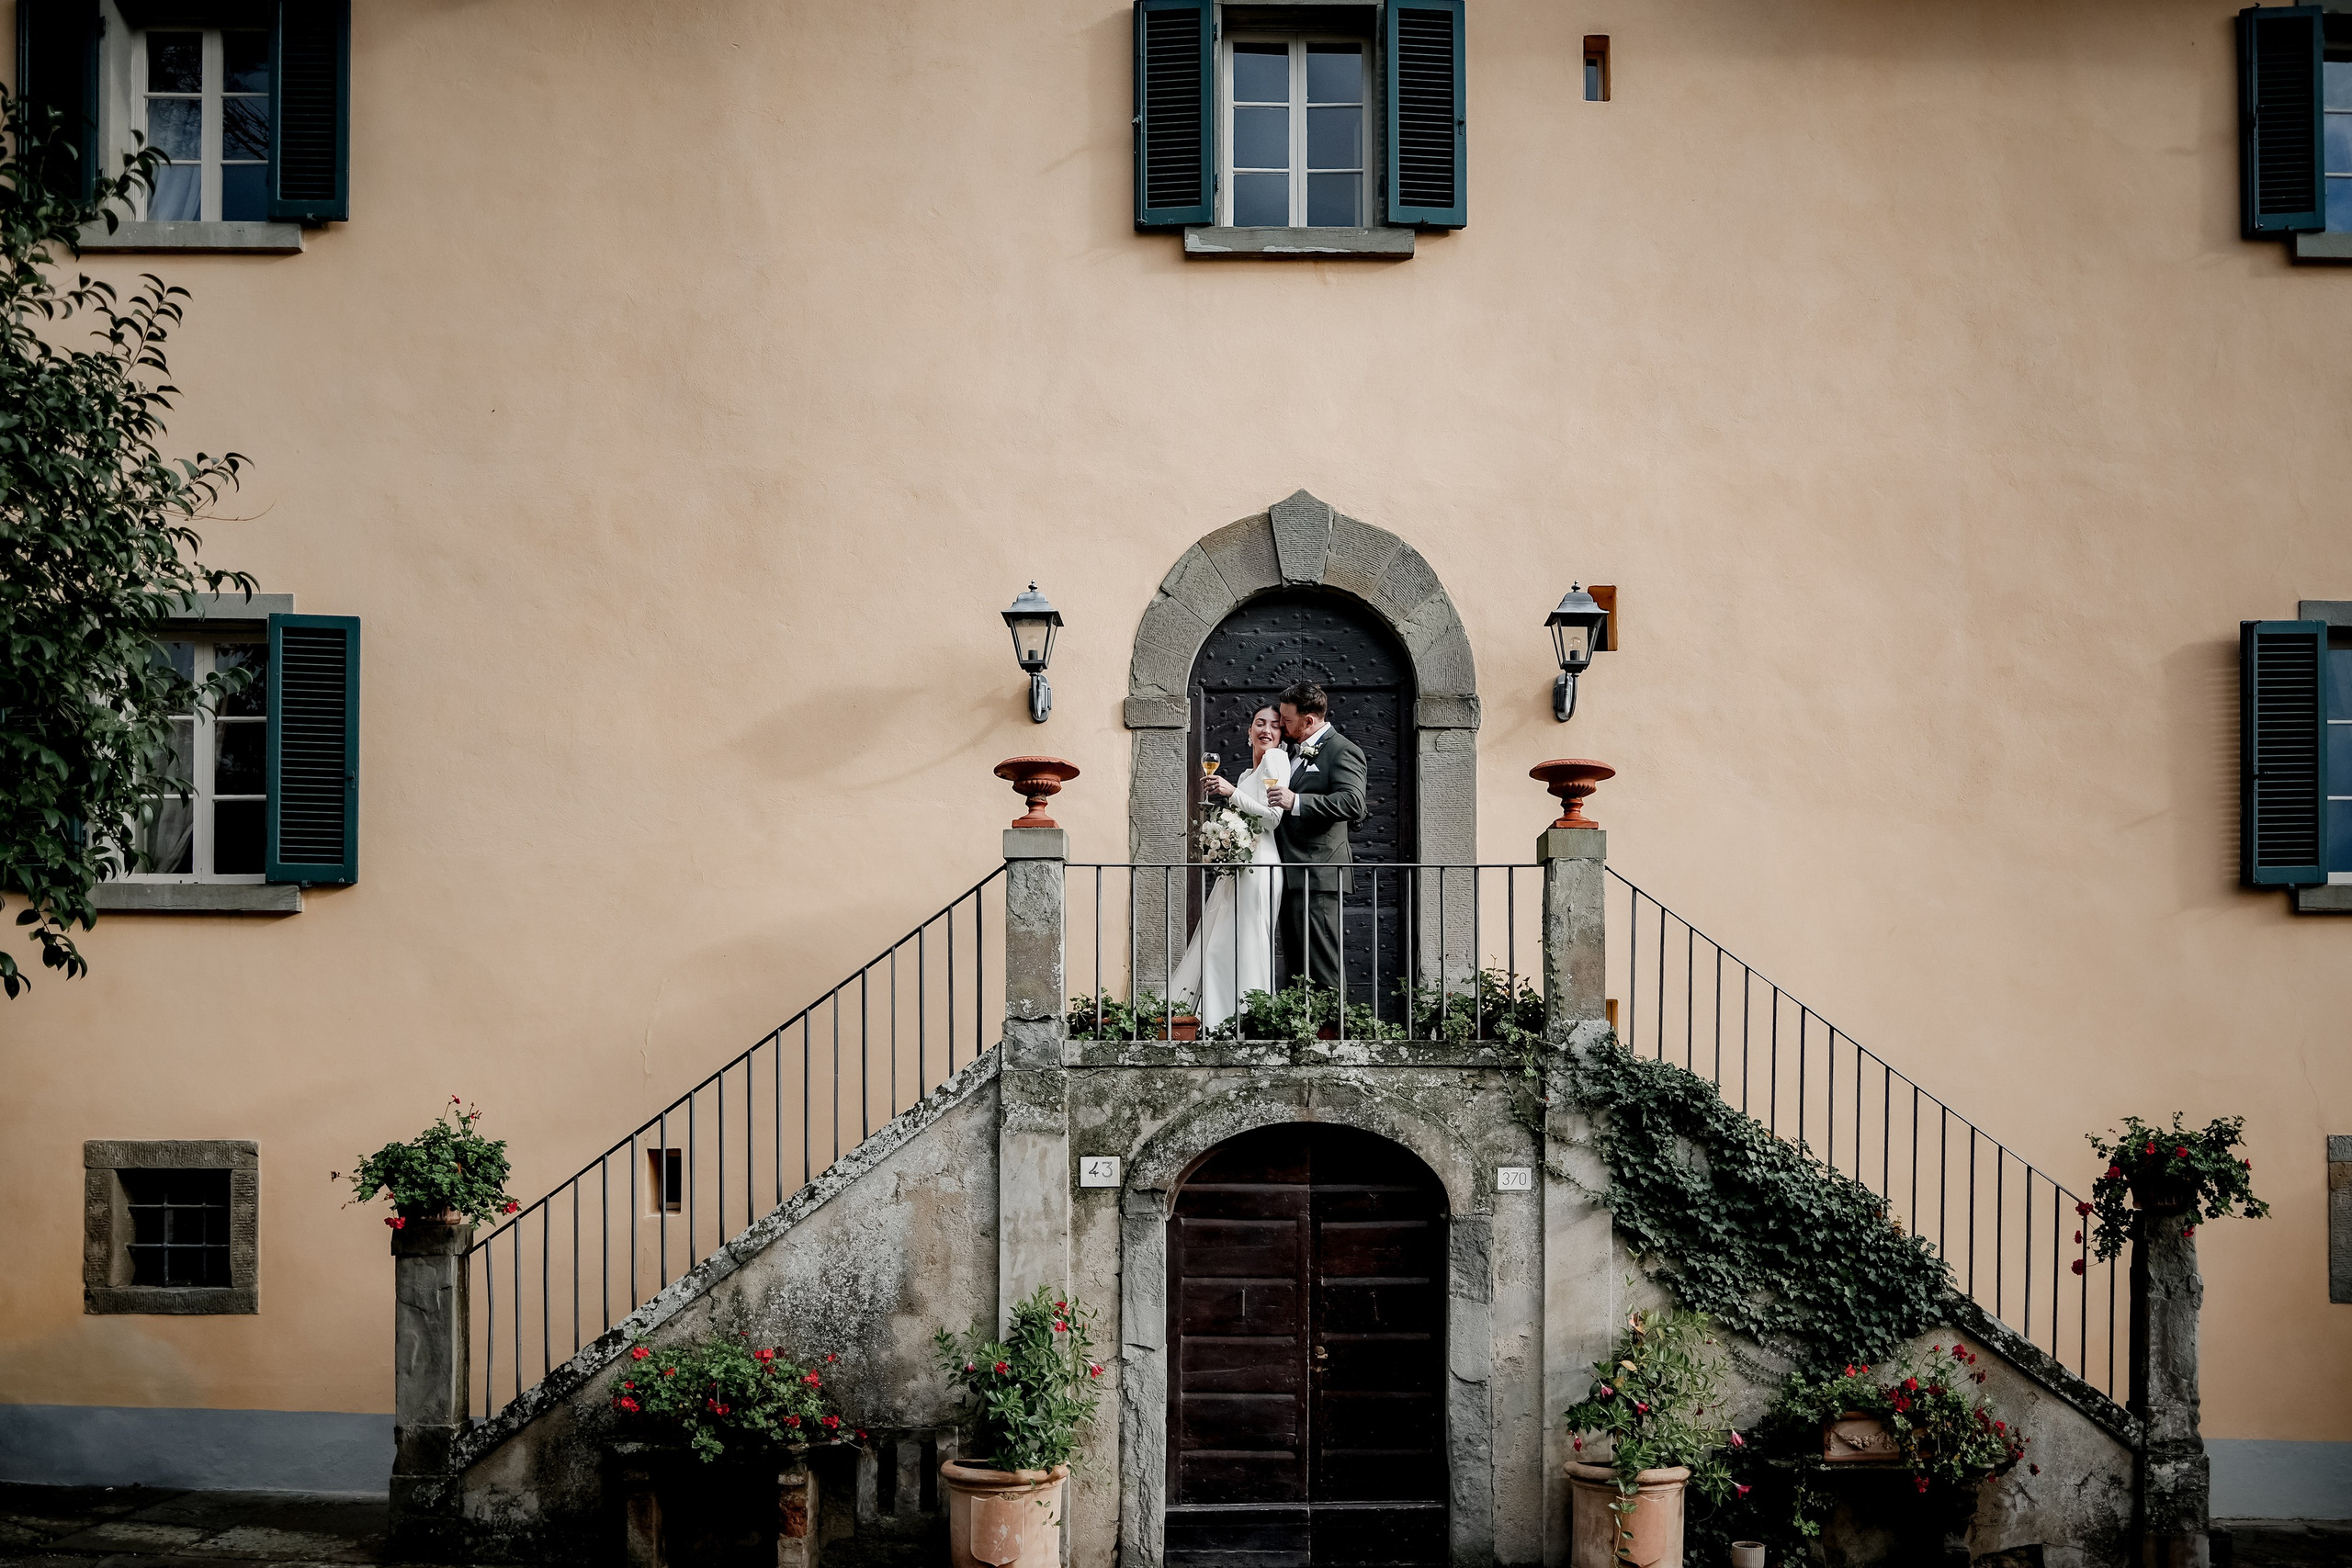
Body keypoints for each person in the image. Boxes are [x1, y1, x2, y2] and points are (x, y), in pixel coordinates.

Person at [1169, 705, 1293, 1030]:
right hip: (1238, 867)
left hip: (1260, 867)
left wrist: (1231, 793)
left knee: (1245, 945)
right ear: (1249, 731)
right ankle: (1219, 1024)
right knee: (1220, 947)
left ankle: (1243, 1023)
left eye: (1275, 726)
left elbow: (1272, 818)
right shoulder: (1245, 774)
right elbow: (1246, 818)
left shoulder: (1276, 758)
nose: (1267, 730)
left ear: (1281, 735)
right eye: (1260, 723)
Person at [1264, 681, 1367, 1004]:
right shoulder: (1291, 751)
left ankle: (1334, 1028)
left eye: (1287, 719)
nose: (1282, 725)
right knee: (1297, 967)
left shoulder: (1342, 750)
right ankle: (1302, 1027)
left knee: (1323, 967)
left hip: (1319, 873)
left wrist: (1297, 801)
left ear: (1309, 720)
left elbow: (1353, 803)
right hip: (1292, 872)